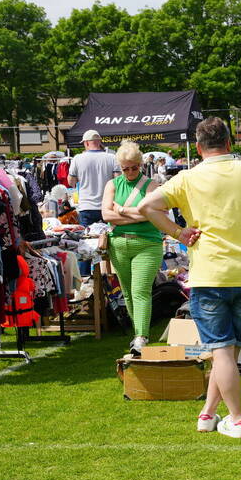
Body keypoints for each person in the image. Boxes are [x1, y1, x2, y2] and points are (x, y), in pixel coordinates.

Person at [138, 117, 241, 438]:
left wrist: (179, 233)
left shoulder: (188, 177)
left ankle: (236, 419)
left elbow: (147, 206)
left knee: (223, 352)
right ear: (230, 142)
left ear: (197, 147)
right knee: (230, 351)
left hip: (210, 275)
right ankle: (208, 414)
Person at [100, 140, 163, 355]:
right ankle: (138, 335)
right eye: (125, 168)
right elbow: (106, 215)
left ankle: (141, 337)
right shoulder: (112, 184)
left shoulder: (151, 185)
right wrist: (137, 214)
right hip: (118, 245)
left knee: (140, 291)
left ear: (141, 164)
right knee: (127, 293)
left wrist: (122, 212)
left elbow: (154, 215)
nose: (129, 172)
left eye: (134, 167)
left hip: (147, 244)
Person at [68, 129, 120, 275]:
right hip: (108, 206)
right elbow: (118, 181)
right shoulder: (111, 158)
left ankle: (85, 278)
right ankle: (113, 275)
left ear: (86, 143)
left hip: (86, 206)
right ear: (99, 142)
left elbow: (71, 182)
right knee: (111, 241)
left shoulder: (78, 158)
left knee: (86, 244)